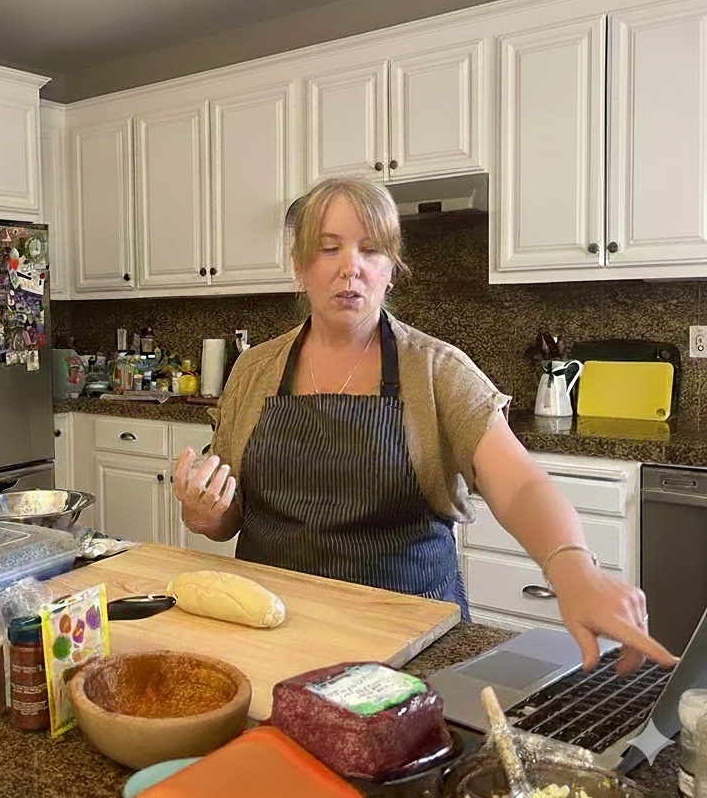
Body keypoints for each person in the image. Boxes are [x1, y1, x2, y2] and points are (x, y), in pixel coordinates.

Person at [173, 175, 676, 673]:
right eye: (329, 249)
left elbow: (520, 483)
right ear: (300, 266)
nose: (351, 267)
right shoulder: (253, 371)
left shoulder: (437, 370)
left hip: (407, 641)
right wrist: (203, 514)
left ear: (391, 268)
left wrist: (573, 570)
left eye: (371, 250)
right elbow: (228, 517)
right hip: (274, 636)